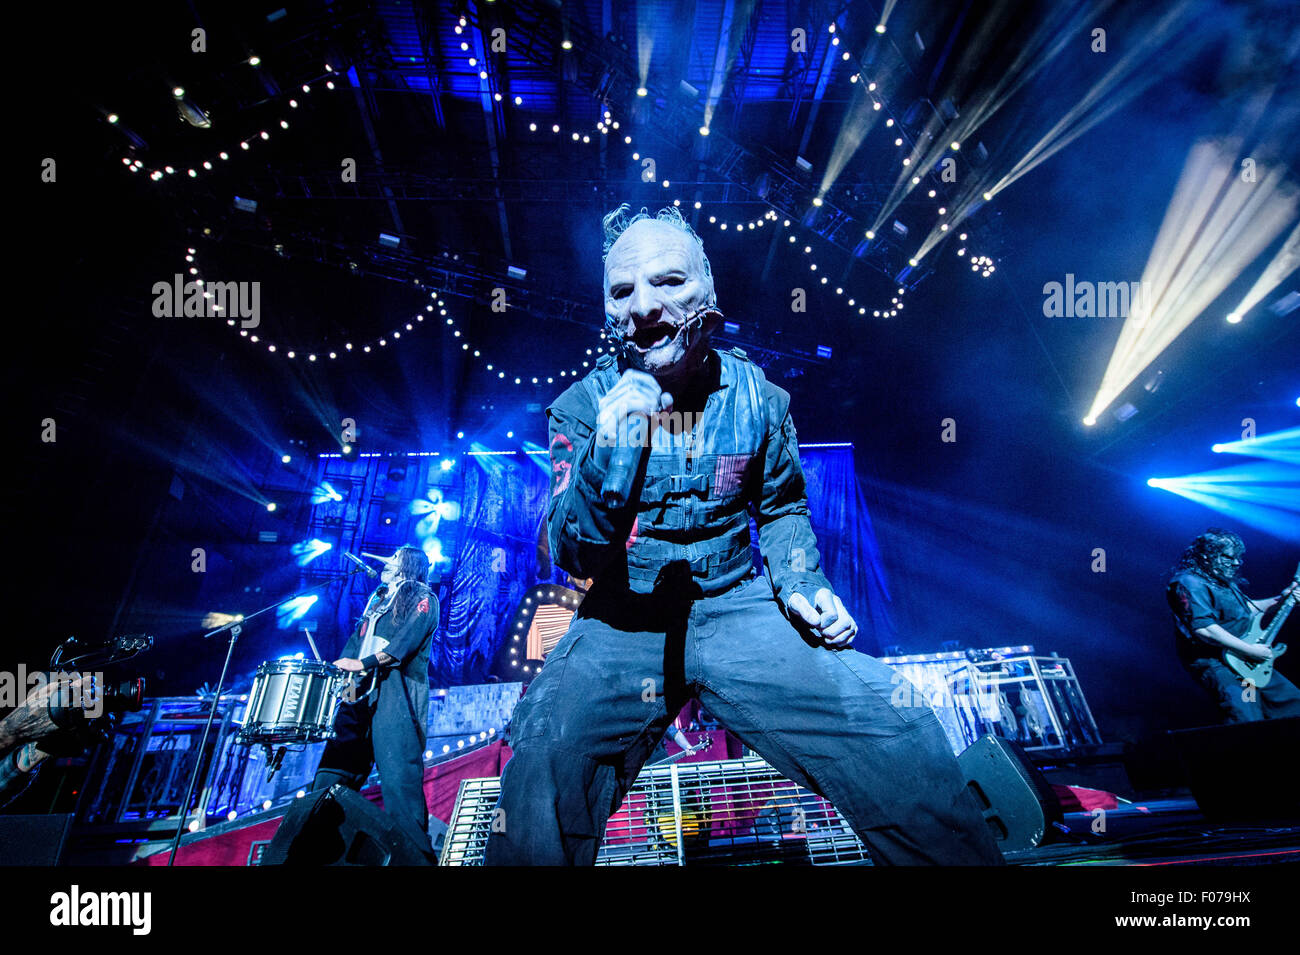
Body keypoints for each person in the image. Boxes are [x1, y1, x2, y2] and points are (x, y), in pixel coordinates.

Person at [484, 204, 1003, 865]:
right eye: (623, 291)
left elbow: (782, 507)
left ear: (709, 291)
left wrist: (801, 582)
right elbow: (573, 550)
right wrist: (609, 453)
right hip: (622, 621)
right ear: (608, 312)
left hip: (736, 606)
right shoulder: (582, 408)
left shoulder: (756, 396)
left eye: (669, 282)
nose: (645, 305)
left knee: (894, 724)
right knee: (545, 760)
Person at [311, 546, 439, 857]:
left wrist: (363, 663)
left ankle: (414, 859)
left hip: (395, 697)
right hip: (357, 696)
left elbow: (403, 644)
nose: (388, 560)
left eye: (396, 556)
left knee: (399, 785)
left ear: (408, 565)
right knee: (333, 773)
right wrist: (341, 667)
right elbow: (355, 642)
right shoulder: (379, 599)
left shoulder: (423, 598)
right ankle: (313, 846)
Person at [1166, 528, 1300, 722]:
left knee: (1293, 704)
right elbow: (1205, 630)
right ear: (1206, 555)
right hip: (1218, 662)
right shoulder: (1188, 583)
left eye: (1239, 557)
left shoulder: (1223, 582)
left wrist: (1284, 599)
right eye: (1229, 557)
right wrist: (1250, 650)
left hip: (1245, 659)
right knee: (1246, 718)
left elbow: (1247, 610)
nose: (1236, 563)